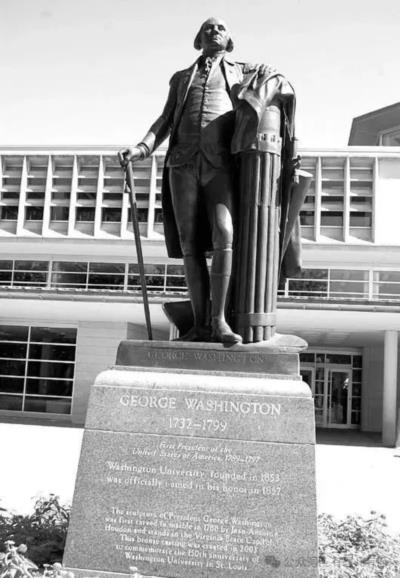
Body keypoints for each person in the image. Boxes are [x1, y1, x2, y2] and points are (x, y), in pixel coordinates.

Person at [119, 17, 274, 343]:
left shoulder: (244, 73)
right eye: (208, 28)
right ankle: (201, 324)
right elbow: (165, 119)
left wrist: (270, 77)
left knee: (224, 233)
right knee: (190, 243)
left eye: (220, 28)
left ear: (229, 40)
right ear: (198, 39)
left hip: (219, 164)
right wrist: (142, 148)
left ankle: (219, 321)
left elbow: (276, 87)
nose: (214, 31)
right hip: (182, 163)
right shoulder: (181, 78)